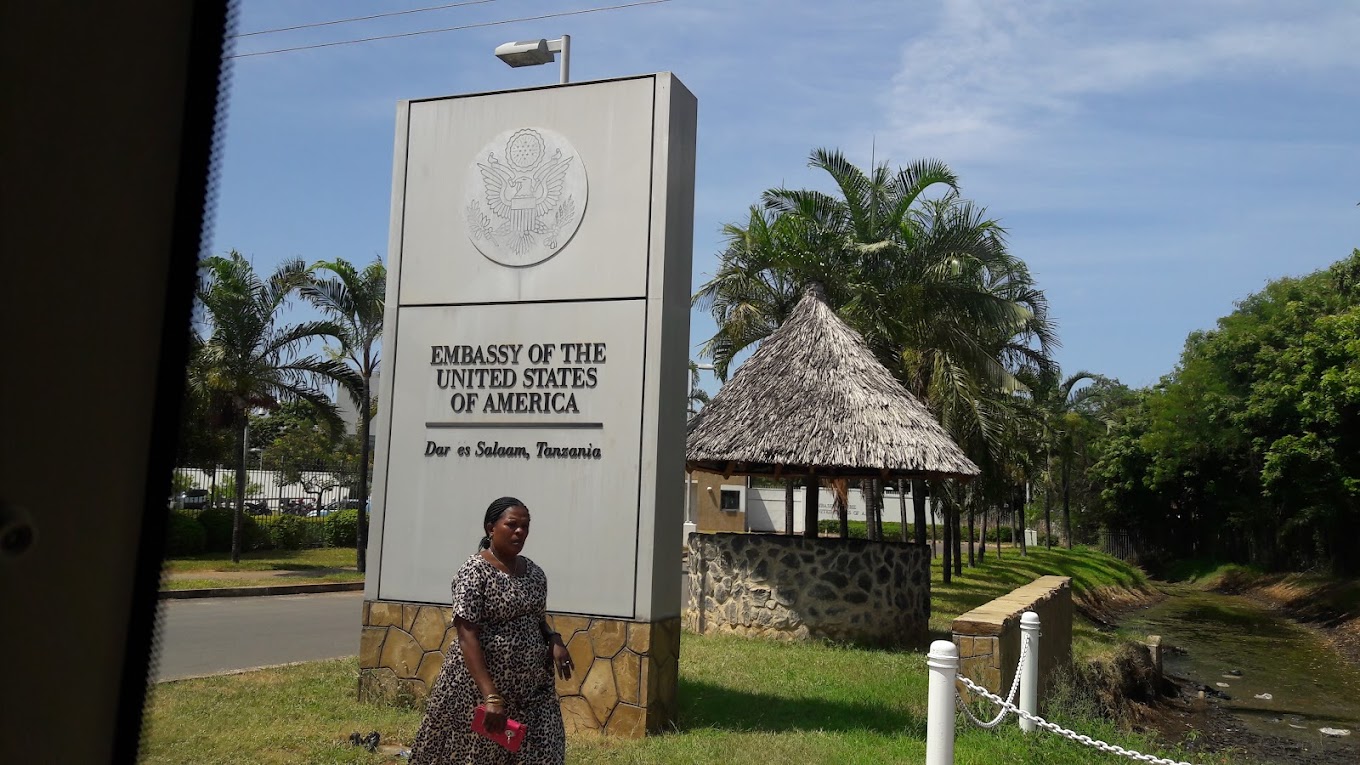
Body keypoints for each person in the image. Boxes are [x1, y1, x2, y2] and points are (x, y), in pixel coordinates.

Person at [408, 497, 571, 764]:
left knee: (544, 753)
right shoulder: (474, 572)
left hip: (532, 694)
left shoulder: (534, 573)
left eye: (525, 526)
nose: (520, 531)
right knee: (479, 756)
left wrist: (554, 638)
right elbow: (466, 634)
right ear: (490, 528)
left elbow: (537, 620)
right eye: (512, 525)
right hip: (481, 691)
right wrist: (491, 696)